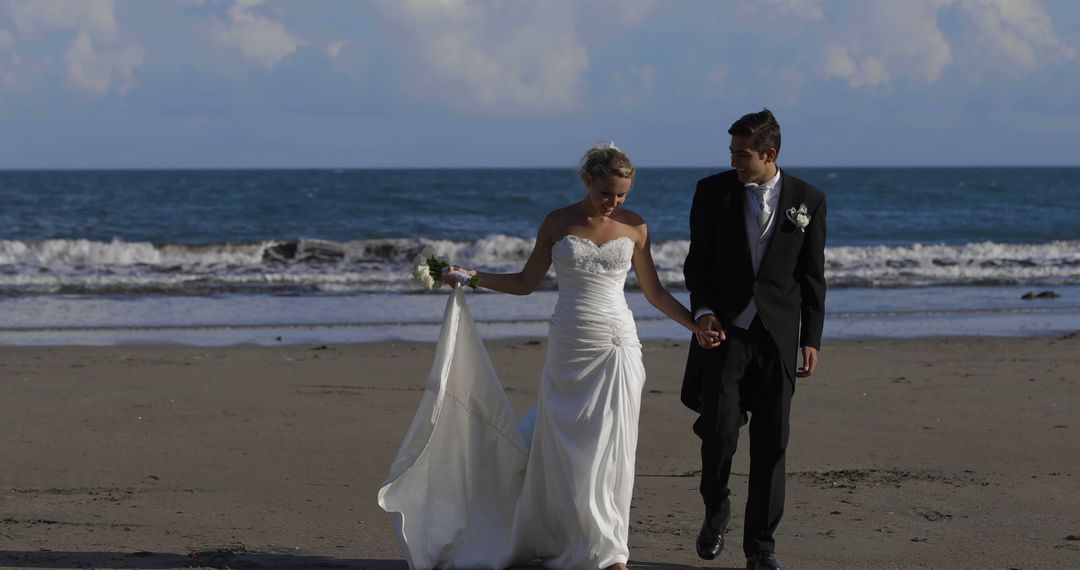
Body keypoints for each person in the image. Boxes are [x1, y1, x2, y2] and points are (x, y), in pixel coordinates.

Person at [378, 142, 712, 570]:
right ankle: (567, 536)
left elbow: (655, 293)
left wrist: (695, 326)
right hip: (570, 345)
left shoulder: (636, 227)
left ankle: (610, 551)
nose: (614, 202)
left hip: (617, 346)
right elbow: (524, 282)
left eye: (623, 194)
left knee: (611, 450)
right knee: (565, 450)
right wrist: (470, 276)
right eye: (606, 192)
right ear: (587, 181)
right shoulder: (557, 222)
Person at [681, 109, 827, 570]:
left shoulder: (809, 199)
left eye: (742, 154)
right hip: (725, 334)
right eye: (731, 152)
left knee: (771, 444)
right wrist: (702, 313)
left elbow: (812, 277)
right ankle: (716, 504)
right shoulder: (711, 193)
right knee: (720, 431)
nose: (734, 161)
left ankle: (761, 548)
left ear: (770, 154)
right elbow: (696, 265)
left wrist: (811, 338)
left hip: (779, 339)